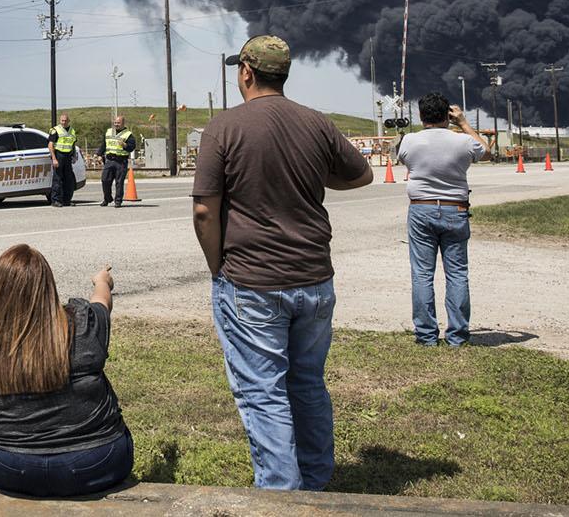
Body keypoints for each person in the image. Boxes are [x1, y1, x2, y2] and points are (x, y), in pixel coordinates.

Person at [191, 35, 373, 491]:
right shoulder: (316, 123)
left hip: (252, 282)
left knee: (263, 392)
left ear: (247, 73)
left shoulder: (224, 128)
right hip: (314, 280)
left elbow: (203, 210)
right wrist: (315, 176)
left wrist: (218, 266)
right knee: (308, 383)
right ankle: (314, 482)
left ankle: (280, 494)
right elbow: (363, 174)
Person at [0, 245, 132, 497]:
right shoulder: (84, 324)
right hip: (98, 462)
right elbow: (102, 303)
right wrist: (102, 282)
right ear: (48, 286)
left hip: (6, 466)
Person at [395, 93, 489, 348]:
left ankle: (426, 335)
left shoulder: (409, 140)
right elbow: (487, 152)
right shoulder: (462, 141)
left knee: (422, 274)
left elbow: (403, 157)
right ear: (447, 115)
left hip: (421, 209)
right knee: (457, 273)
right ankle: (457, 335)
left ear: (422, 115)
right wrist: (463, 123)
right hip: (455, 209)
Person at [96, 116, 136, 208]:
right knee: (105, 180)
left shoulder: (128, 134)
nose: (116, 124)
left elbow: (132, 147)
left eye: (118, 123)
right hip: (109, 160)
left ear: (123, 123)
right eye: (115, 123)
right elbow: (104, 144)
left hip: (121, 161)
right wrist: (98, 154)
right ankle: (107, 198)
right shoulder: (109, 131)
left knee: (119, 182)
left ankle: (118, 201)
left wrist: (125, 145)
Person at [47, 112, 78, 208]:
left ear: (69, 121)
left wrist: (74, 155)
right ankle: (56, 200)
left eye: (65, 121)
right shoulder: (55, 130)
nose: (64, 122)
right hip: (59, 155)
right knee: (57, 179)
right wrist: (54, 158)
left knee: (68, 179)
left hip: (68, 157)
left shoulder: (72, 131)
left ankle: (67, 200)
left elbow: (72, 144)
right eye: (62, 121)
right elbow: (50, 145)